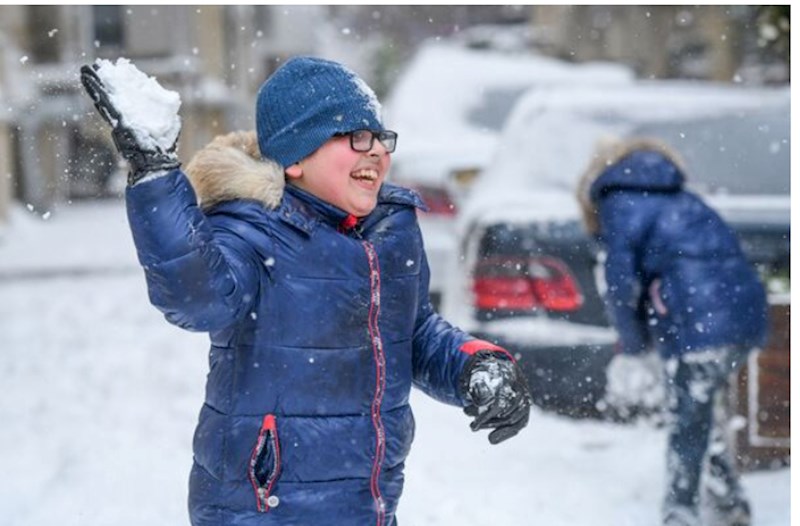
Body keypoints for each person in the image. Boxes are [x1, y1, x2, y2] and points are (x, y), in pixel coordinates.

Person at [80, 56, 531, 526]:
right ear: (295, 157)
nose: (375, 150)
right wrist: (155, 173)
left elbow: (411, 332)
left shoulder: (390, 232)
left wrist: (474, 363)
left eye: (380, 138)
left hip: (368, 508)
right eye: (354, 137)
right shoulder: (253, 231)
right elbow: (198, 297)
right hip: (262, 510)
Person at [576, 137, 767, 526]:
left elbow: (620, 284)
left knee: (687, 423)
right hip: (742, 320)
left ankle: (681, 515)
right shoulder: (679, 197)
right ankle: (730, 505)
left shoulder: (620, 201)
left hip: (699, 326)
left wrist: (631, 345)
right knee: (696, 414)